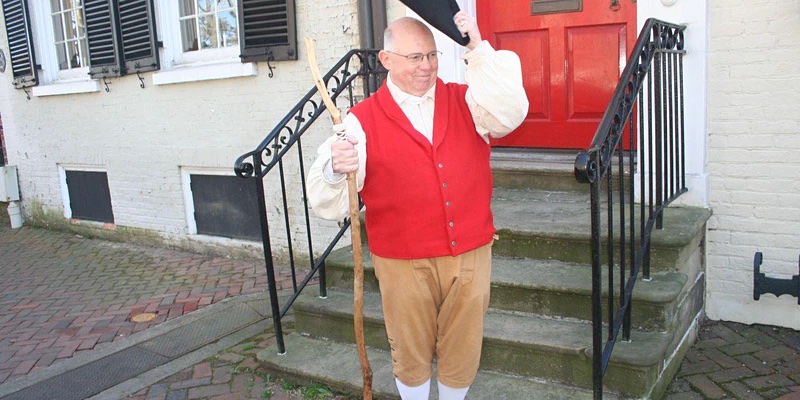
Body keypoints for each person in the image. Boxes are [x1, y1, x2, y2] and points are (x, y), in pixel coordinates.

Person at [307, 12, 528, 400]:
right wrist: (333, 168)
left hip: (471, 251)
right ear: (386, 60)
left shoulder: (469, 100)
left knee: (463, 345)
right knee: (410, 349)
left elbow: (511, 112)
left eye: (431, 55)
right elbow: (329, 202)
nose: (425, 66)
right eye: (414, 57)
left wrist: (476, 47)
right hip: (403, 260)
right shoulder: (359, 122)